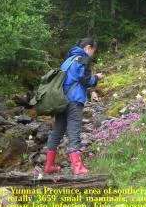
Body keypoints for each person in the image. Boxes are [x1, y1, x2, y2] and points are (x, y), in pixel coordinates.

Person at [44, 38, 104, 175]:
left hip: (61, 101)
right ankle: (77, 166)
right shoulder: (82, 59)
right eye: (93, 51)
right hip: (74, 100)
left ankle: (49, 166)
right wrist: (96, 78)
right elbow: (85, 80)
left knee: (57, 132)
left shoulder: (67, 61)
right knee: (74, 131)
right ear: (88, 47)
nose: (92, 54)